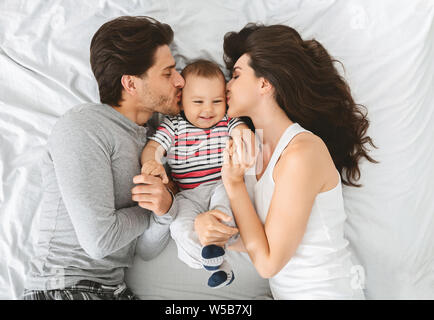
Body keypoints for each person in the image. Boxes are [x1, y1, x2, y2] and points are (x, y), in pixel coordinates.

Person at [200, 23, 378, 299]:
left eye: (236, 75)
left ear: (264, 83)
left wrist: (234, 185)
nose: (227, 85)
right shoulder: (255, 150)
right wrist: (211, 228)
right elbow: (261, 238)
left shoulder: (302, 153)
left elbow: (268, 263)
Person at [22, 16, 185, 300]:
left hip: (116, 290)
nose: (180, 80)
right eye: (168, 73)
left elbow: (145, 251)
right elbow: (101, 240)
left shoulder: (153, 144)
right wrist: (158, 203)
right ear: (131, 84)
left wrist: (167, 207)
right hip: (65, 288)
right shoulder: (83, 126)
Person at [140, 59, 254, 289]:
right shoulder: (173, 125)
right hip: (187, 194)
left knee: (224, 209)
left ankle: (220, 244)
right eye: (198, 101)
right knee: (180, 228)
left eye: (217, 101)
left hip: (220, 184)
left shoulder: (227, 120)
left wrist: (244, 133)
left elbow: (241, 130)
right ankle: (214, 263)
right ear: (181, 102)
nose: (208, 109)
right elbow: (153, 148)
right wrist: (152, 164)